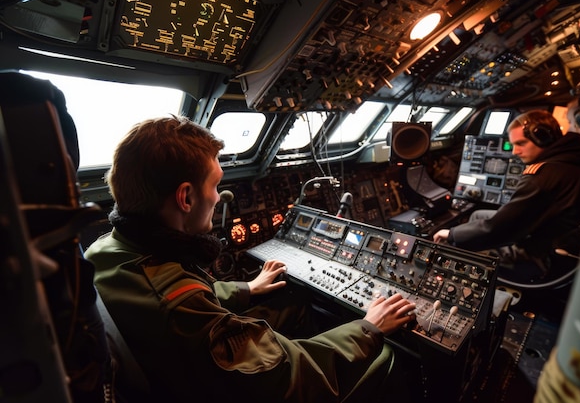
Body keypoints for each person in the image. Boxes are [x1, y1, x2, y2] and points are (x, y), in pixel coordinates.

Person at [84, 116, 417, 403]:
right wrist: (368, 328)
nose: (217, 196)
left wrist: (246, 288)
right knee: (384, 355)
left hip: (170, 369)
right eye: (215, 185)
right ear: (186, 197)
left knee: (291, 300)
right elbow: (285, 378)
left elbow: (184, 295)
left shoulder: (107, 250)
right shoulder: (177, 307)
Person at [432, 110, 580, 284]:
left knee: (458, 245)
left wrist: (452, 234)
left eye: (520, 143)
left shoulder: (542, 177)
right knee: (478, 215)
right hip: (562, 235)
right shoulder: (577, 155)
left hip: (545, 253)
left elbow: (498, 229)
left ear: (543, 138)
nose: (514, 152)